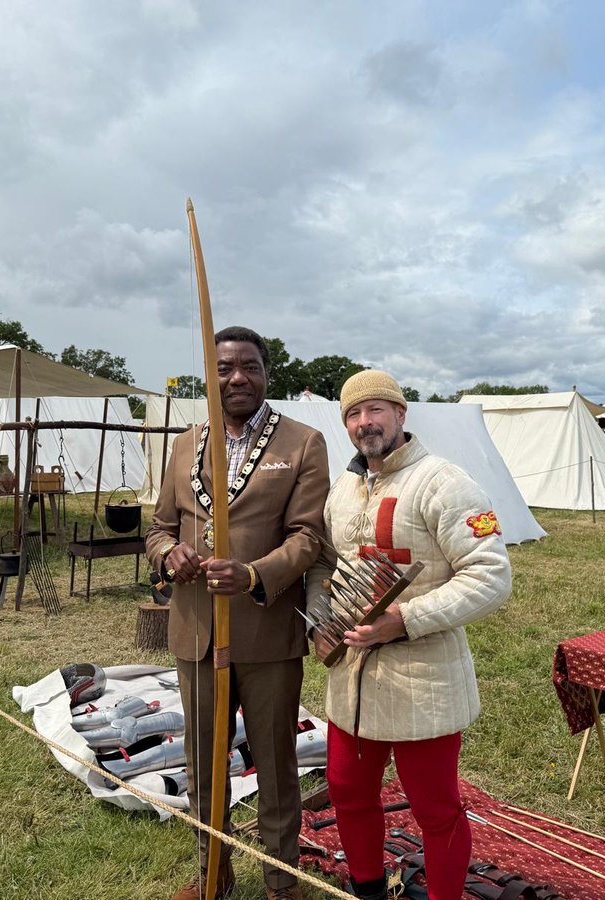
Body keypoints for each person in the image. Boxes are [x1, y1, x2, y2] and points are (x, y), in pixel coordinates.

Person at [306, 370, 511, 900]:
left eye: (376, 409)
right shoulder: (343, 490)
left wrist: (405, 619)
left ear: (401, 414)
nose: (365, 422)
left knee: (434, 808)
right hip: (352, 678)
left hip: (423, 674)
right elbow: (325, 565)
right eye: (353, 413)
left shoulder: (445, 481)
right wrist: (321, 623)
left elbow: (490, 575)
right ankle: (369, 892)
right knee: (348, 793)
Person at [146, 326, 330, 900]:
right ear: (210, 376)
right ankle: (212, 876)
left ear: (266, 373)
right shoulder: (186, 443)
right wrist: (167, 554)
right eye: (224, 368)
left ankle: (283, 883)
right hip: (198, 632)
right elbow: (158, 527)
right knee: (204, 762)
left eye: (248, 366)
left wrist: (255, 575)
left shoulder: (301, 442)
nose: (236, 378)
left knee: (276, 766)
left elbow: (308, 538)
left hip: (267, 631)